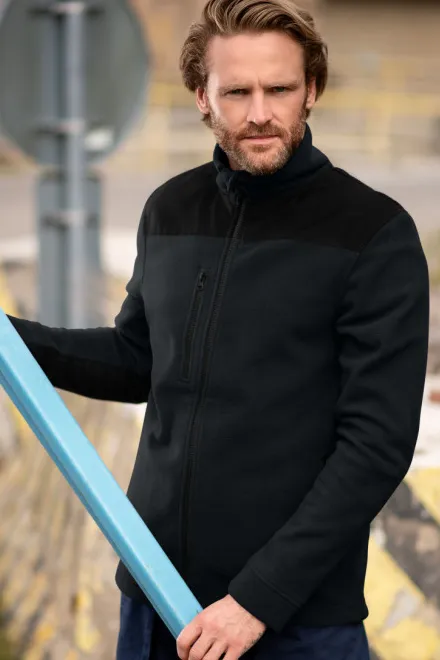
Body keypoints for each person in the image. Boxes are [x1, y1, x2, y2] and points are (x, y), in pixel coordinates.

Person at [8, 0, 430, 658]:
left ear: (311, 90)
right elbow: (137, 360)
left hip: (294, 624)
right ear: (203, 97)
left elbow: (375, 447)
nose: (259, 112)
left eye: (279, 89)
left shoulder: (374, 234)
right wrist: (12, 339)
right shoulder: (169, 209)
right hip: (153, 599)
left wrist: (257, 600)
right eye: (237, 92)